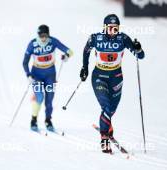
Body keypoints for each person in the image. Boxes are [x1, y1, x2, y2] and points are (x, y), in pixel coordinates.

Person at [80, 14, 145, 153]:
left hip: (116, 77)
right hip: (99, 76)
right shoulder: (95, 38)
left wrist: (138, 48)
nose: (113, 32)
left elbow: (140, 56)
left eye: (115, 29)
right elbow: (86, 51)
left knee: (112, 109)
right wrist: (84, 68)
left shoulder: (123, 39)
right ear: (104, 28)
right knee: (107, 106)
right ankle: (104, 138)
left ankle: (107, 124)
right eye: (110, 29)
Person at [23, 24, 73, 131]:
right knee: (40, 96)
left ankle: (48, 120)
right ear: (38, 35)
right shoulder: (32, 44)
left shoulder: (53, 41)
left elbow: (69, 51)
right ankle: (34, 119)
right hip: (36, 75)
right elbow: (24, 62)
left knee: (49, 99)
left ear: (48, 35)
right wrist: (28, 74)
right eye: (41, 36)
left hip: (50, 74)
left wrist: (66, 57)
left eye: (45, 35)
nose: (43, 38)